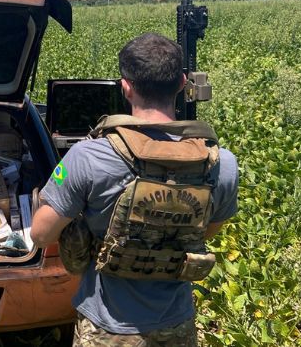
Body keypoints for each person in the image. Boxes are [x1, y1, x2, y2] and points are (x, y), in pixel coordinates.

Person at [32, 33, 239, 346]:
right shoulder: (221, 163)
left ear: (125, 87)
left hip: (105, 328)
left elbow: (41, 234)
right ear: (182, 83)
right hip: (176, 323)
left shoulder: (87, 156)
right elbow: (206, 233)